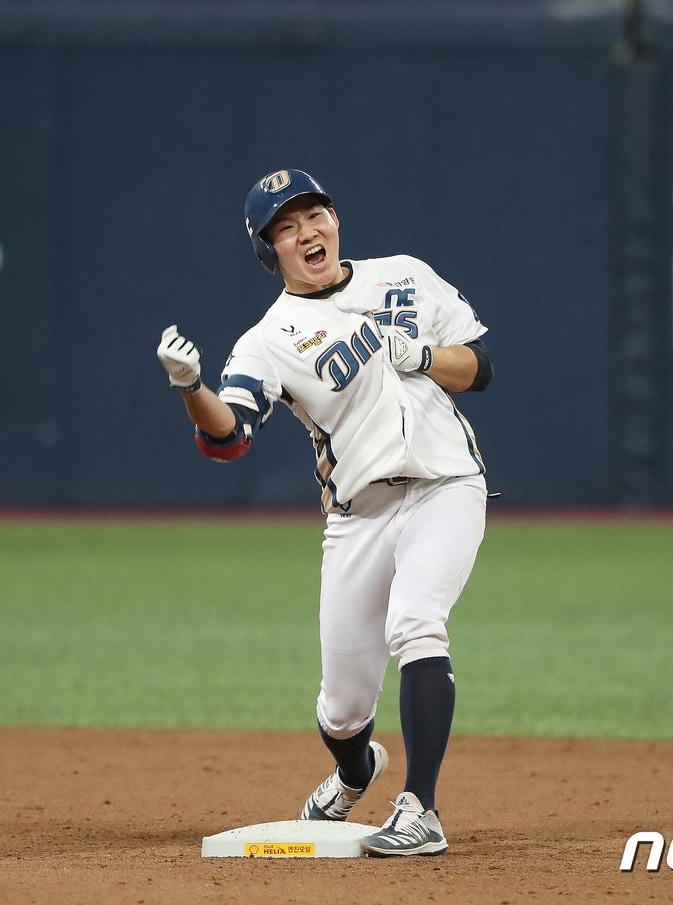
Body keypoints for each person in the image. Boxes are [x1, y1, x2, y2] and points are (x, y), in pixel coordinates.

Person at [155, 169, 493, 857]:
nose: (306, 231)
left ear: (335, 218)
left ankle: (420, 807)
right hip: (359, 517)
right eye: (286, 225)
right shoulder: (269, 338)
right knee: (342, 709)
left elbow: (480, 366)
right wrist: (192, 389)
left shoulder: (404, 275)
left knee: (417, 621)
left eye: (314, 214)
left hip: (446, 486)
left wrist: (425, 355)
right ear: (268, 249)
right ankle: (354, 769)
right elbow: (230, 436)